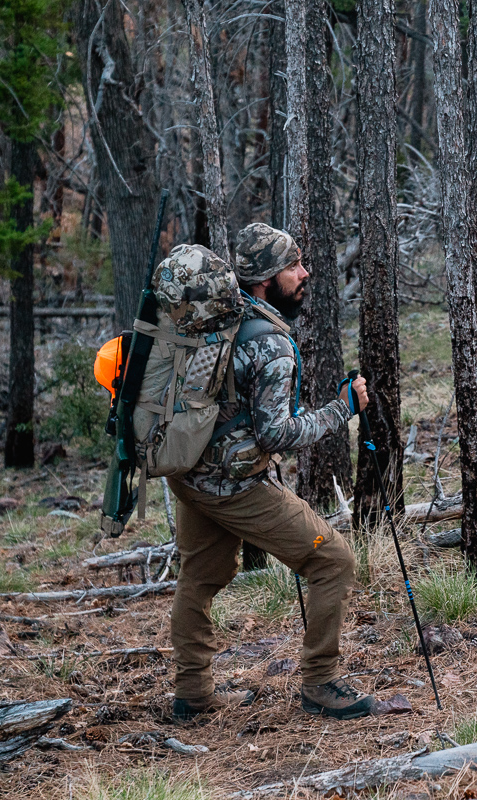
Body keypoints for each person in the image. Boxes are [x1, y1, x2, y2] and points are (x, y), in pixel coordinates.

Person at [167, 222, 373, 721]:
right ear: (264, 281)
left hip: (189, 473)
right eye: (292, 266)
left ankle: (192, 695)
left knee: (200, 576)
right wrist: (342, 409)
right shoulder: (271, 344)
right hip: (233, 485)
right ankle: (320, 683)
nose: (305, 274)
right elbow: (275, 435)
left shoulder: (218, 316)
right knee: (334, 561)